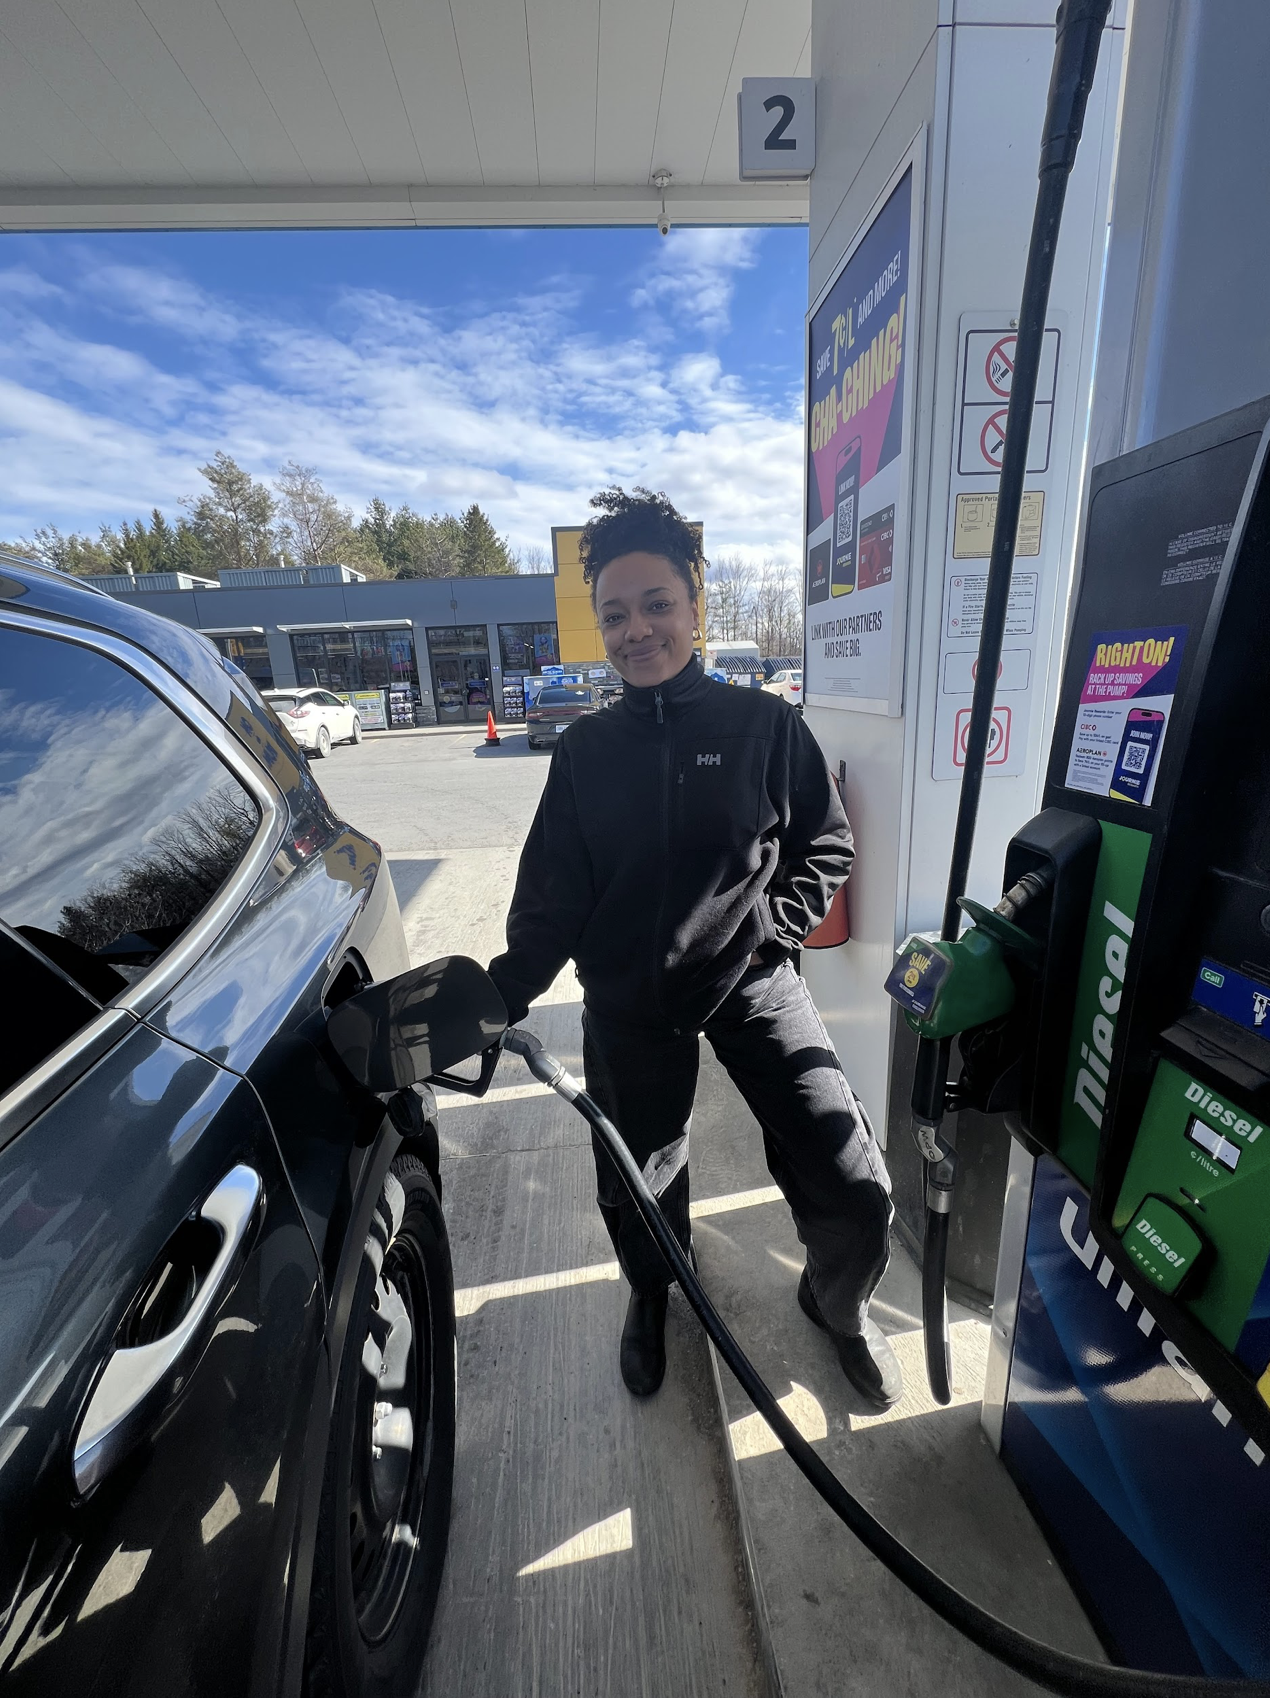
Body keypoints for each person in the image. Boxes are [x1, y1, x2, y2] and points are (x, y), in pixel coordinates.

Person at [488, 488, 900, 1411]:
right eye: (616, 615)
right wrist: (500, 992)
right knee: (638, 1182)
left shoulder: (765, 727)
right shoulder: (585, 751)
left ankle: (838, 1302)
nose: (637, 630)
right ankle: (654, 1290)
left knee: (851, 1180)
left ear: (694, 605)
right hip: (631, 1003)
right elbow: (553, 898)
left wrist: (770, 933)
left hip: (754, 984)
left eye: (657, 605)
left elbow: (827, 843)